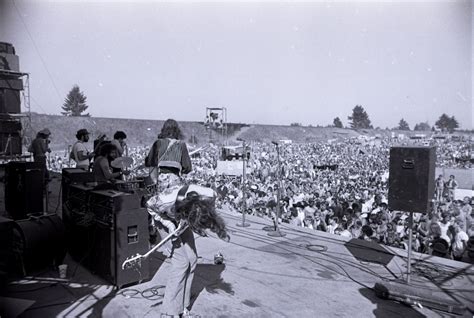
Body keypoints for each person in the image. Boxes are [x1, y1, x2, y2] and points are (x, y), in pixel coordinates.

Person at [146, 184, 229, 318]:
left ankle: (182, 307)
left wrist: (212, 225)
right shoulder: (165, 201)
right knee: (181, 263)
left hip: (184, 221)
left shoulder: (209, 195)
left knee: (191, 259)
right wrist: (169, 225)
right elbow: (149, 206)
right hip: (165, 219)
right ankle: (168, 312)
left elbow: (209, 213)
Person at [145, 119, 192, 189]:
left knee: (161, 198)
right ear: (177, 131)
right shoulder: (181, 145)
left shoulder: (158, 143)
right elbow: (187, 167)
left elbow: (149, 162)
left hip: (162, 178)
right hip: (175, 179)